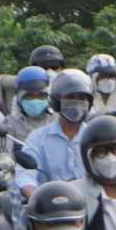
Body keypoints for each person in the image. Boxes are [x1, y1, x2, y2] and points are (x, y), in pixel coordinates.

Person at [17, 68, 93, 196]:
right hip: (51, 209)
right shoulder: (37, 139)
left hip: (92, 207)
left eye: (81, 98)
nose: (76, 102)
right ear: (56, 102)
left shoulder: (95, 138)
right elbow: (25, 176)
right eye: (70, 97)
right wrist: (34, 195)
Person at [7, 64, 54, 144]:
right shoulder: (10, 123)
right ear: (19, 97)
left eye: (40, 95)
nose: (35, 100)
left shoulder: (57, 121)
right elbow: (4, 154)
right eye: (29, 96)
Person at [88, 53, 116, 118]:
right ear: (93, 77)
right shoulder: (85, 101)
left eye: (112, 76)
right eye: (104, 76)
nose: (109, 81)